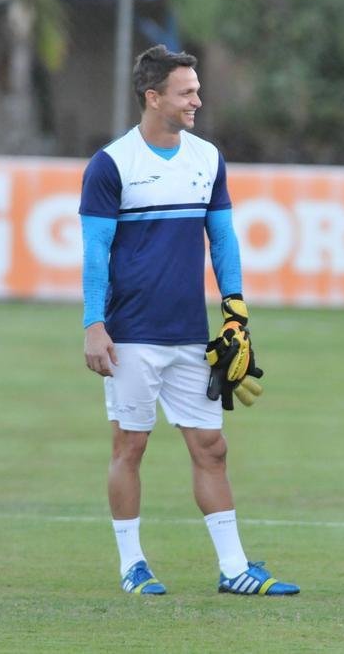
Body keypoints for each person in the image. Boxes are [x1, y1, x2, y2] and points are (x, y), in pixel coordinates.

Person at [80, 44, 298, 596]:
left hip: (190, 337)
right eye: (186, 92)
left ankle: (234, 568)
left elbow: (222, 238)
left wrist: (235, 308)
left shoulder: (207, 158)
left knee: (211, 447)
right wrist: (93, 323)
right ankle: (133, 565)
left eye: (197, 90)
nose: (198, 100)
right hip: (130, 336)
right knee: (130, 447)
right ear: (153, 97)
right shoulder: (112, 164)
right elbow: (95, 251)